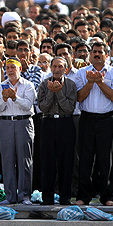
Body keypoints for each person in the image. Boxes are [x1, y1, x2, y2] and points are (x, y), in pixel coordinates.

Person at [75, 41, 113, 206]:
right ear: (90, 55)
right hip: (87, 118)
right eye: (94, 52)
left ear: (106, 55)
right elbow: (79, 97)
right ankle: (84, 196)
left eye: (100, 52)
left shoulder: (112, 72)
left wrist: (100, 82)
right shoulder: (82, 73)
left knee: (106, 160)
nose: (97, 54)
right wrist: (90, 83)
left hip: (107, 119)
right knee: (85, 159)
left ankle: (108, 196)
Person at [0, 57, 36, 205]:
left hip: (23, 122)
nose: (10, 70)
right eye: (8, 68)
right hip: (6, 123)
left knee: (24, 159)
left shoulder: (28, 85)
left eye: (13, 67)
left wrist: (14, 97)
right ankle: (10, 196)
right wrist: (5, 99)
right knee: (7, 160)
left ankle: (25, 196)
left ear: (20, 69)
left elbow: (27, 105)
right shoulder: (1, 86)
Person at [37, 56, 77, 206]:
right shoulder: (43, 84)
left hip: (65, 122)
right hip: (48, 122)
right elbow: (43, 107)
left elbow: (69, 108)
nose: (57, 69)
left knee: (66, 161)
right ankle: (47, 198)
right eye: (54, 66)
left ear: (65, 69)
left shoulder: (71, 85)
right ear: (51, 68)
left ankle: (65, 197)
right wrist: (51, 91)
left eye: (60, 67)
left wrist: (58, 92)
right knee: (47, 161)